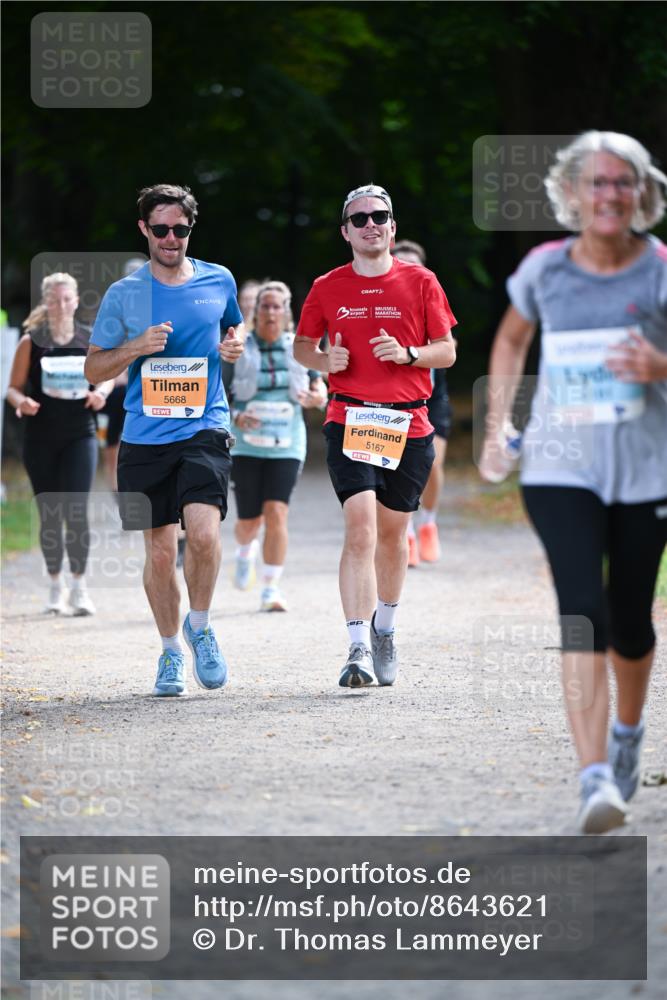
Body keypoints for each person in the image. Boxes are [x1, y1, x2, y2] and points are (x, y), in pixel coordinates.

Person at [479, 131, 667, 833]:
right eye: (596, 182)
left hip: (646, 469)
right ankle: (593, 778)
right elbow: (507, 340)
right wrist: (497, 426)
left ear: (641, 192)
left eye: (623, 182)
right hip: (559, 466)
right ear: (571, 193)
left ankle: (625, 733)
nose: (609, 194)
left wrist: (659, 366)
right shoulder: (543, 270)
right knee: (580, 606)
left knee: (629, 620)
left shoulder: (657, 270)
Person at [85, 183, 245, 697]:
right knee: (158, 555)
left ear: (190, 230)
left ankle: (200, 625)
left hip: (204, 426)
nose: (171, 238)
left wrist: (233, 346)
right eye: (161, 229)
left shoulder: (219, 279)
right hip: (144, 435)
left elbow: (232, 331)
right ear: (144, 230)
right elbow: (94, 366)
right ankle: (171, 651)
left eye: (180, 229)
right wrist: (135, 347)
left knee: (202, 534)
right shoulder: (124, 294)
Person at [294, 184, 457, 687]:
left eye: (379, 216)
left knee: (392, 536)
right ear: (346, 231)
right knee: (360, 528)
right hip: (351, 419)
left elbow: (446, 351)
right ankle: (358, 647)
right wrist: (324, 361)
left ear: (392, 226)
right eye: (359, 218)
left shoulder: (421, 281)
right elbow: (302, 346)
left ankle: (385, 626)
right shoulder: (327, 286)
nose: (370, 225)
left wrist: (408, 355)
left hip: (408, 423)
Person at [6, 272, 114, 615]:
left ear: (76, 301)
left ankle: (80, 588)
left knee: (76, 511)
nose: (61, 305)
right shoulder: (31, 342)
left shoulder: (89, 339)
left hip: (80, 434)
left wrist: (101, 393)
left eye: (66, 299)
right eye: (54, 300)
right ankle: (56, 585)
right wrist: (20, 403)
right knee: (51, 514)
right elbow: (12, 388)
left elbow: (108, 376)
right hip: (40, 438)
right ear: (45, 302)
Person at [229, 280, 327, 611]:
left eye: (277, 306)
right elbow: (219, 391)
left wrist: (317, 397)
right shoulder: (238, 347)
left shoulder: (299, 347)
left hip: (287, 442)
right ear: (255, 312)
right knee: (248, 523)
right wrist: (235, 415)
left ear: (287, 312)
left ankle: (270, 587)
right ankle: (245, 551)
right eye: (264, 306)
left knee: (277, 512)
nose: (271, 312)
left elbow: (320, 387)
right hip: (246, 444)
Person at [391, 240, 454, 565]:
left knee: (432, 464)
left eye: (415, 266)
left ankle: (428, 522)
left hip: (433, 400)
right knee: (401, 469)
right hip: (394, 402)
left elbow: (448, 347)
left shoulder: (432, 298)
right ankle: (409, 532)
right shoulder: (381, 301)